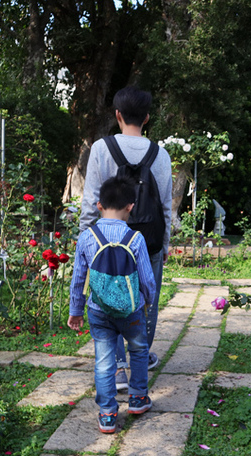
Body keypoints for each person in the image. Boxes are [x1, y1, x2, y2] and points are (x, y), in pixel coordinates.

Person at [78, 86, 172, 391]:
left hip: (106, 240)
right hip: (149, 239)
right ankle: (139, 357)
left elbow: (91, 199)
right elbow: (167, 206)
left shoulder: (101, 149)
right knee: (147, 298)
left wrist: (85, 239)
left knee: (107, 297)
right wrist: (166, 242)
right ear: (146, 118)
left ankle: (117, 367)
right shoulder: (161, 154)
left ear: (117, 115)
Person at [68, 176, 156, 433]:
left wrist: (76, 311)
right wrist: (148, 302)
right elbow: (147, 279)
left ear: (99, 205)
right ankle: (138, 398)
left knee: (104, 361)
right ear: (131, 206)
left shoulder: (87, 238)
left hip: (98, 310)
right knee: (139, 351)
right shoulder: (136, 238)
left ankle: (107, 413)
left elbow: (78, 279)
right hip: (132, 309)